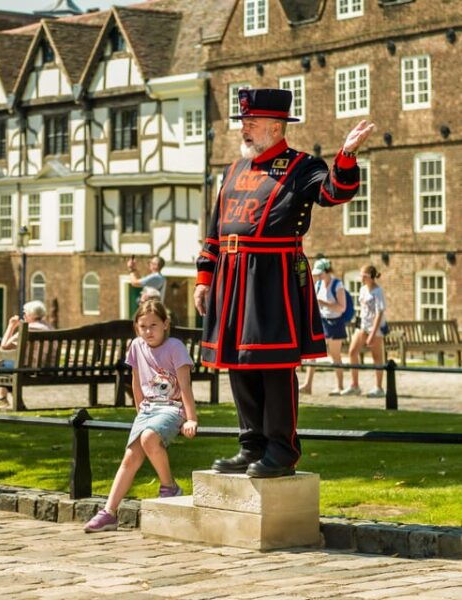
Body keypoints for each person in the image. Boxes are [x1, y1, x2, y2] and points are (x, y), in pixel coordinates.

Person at [195, 88, 374, 478]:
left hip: (273, 276)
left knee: (273, 364)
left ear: (277, 126)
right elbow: (215, 230)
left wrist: (346, 156)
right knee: (238, 364)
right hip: (231, 276)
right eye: (243, 122)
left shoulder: (301, 166)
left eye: (252, 122)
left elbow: (334, 192)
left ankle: (282, 449)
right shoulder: (232, 170)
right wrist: (204, 279)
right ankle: (251, 444)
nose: (245, 129)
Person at [84, 299, 198, 533]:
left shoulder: (175, 347)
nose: (148, 331)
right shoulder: (136, 346)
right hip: (148, 409)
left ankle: (169, 487)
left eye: (154, 325)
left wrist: (191, 418)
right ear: (136, 327)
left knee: (148, 438)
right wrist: (139, 411)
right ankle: (109, 512)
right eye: (143, 326)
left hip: (171, 406)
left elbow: (185, 385)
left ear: (166, 324)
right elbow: (136, 382)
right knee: (130, 457)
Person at [299, 258, 348, 396]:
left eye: (320, 273)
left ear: (327, 271)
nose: (318, 276)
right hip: (322, 321)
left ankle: (339, 386)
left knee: (335, 355)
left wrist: (324, 303)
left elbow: (342, 307)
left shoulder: (337, 285)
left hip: (335, 323)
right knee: (312, 354)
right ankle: (308, 385)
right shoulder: (318, 284)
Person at [0, 300, 53, 407]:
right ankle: (7, 399)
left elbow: (4, 346)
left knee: (3, 364)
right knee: (8, 365)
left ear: (30, 315)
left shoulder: (28, 329)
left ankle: (2, 398)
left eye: (25, 313)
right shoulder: (49, 328)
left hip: (28, 368)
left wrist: (11, 326)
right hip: (49, 367)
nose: (23, 315)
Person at [344, 265, 387, 397]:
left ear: (370, 277)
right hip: (362, 325)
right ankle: (355, 385)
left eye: (363, 275)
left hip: (376, 328)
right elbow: (362, 310)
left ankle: (379, 388)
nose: (361, 278)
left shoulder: (378, 291)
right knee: (352, 352)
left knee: (376, 357)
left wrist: (373, 334)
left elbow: (379, 313)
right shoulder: (362, 289)